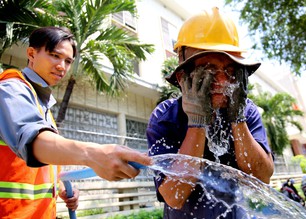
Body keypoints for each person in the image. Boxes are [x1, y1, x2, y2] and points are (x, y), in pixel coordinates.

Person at [0, 26, 151, 218]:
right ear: (31, 53)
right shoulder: (11, 90)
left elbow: (34, 165)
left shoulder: (40, 102)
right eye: (55, 55)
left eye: (68, 61)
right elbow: (34, 142)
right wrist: (92, 154)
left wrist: (61, 188)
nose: (62, 66)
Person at [146, 7, 274, 218]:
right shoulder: (166, 117)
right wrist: (197, 122)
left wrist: (238, 118)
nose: (223, 82)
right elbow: (174, 196)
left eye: (231, 71)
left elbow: (262, 178)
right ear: (182, 78)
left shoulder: (247, 110)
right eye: (209, 70)